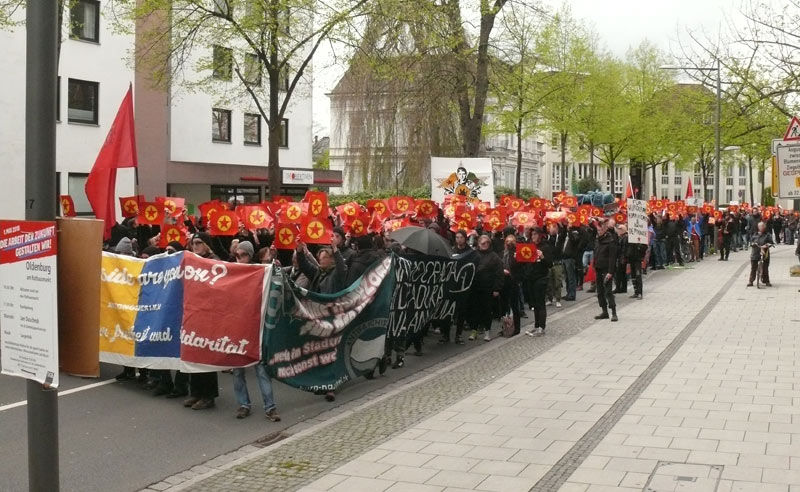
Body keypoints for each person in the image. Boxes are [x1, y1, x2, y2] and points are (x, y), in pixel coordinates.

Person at [230, 241, 281, 421]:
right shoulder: (231, 273)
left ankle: (270, 407)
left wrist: (273, 261)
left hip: (255, 329)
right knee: (238, 371)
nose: (239, 259)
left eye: (243, 255)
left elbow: (274, 277)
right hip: (237, 329)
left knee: (261, 370)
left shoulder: (259, 272)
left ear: (250, 256)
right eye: (237, 255)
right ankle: (244, 404)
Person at [183, 232, 220, 410]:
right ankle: (196, 392)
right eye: (192, 243)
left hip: (208, 314)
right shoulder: (192, 261)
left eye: (198, 243)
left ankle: (208, 396)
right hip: (193, 312)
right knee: (193, 354)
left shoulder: (214, 262)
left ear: (207, 245)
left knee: (206, 357)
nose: (194, 246)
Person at [468, 234, 503, 342]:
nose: (485, 245)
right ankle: (473, 330)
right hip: (475, 286)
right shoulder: (474, 255)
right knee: (474, 310)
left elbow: (499, 273)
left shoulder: (494, 256)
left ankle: (487, 331)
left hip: (488, 287)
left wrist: (497, 288)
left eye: (487, 243)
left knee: (487, 310)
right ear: (478, 244)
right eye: (483, 243)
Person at [524, 227, 552, 337]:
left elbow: (550, 264)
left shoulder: (545, 247)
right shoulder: (530, 247)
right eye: (532, 235)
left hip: (541, 278)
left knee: (540, 303)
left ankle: (542, 327)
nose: (533, 237)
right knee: (535, 304)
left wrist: (543, 257)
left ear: (540, 235)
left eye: (535, 234)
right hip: (531, 278)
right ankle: (536, 326)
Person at [593, 219, 618, 322]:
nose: (599, 231)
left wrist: (610, 272)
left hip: (606, 269)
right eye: (598, 230)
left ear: (605, 229)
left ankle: (614, 312)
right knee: (600, 292)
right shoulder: (598, 240)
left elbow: (612, 258)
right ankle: (604, 311)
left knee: (608, 291)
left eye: (601, 229)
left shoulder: (610, 240)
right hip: (598, 268)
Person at [500, 235, 523, 337]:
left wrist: (516, 258)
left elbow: (520, 266)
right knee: (504, 305)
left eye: (512, 241)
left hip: (513, 280)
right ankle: (505, 327)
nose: (509, 243)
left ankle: (516, 328)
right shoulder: (503, 253)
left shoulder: (517, 253)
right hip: (504, 281)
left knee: (514, 305)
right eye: (508, 241)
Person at [747, 221, 774, 287]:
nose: (761, 227)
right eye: (760, 226)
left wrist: (767, 245)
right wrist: (753, 244)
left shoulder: (767, 235)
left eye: (762, 226)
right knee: (753, 267)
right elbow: (751, 241)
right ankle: (751, 281)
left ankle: (766, 280)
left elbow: (771, 242)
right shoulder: (755, 234)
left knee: (765, 267)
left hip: (765, 252)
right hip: (755, 251)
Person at [546, 222, 565, 308]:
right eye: (551, 227)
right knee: (549, 282)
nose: (553, 229)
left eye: (554, 227)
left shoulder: (559, 238)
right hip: (549, 263)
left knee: (558, 281)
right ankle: (549, 298)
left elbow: (564, 233)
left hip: (557, 263)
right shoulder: (547, 238)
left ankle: (558, 299)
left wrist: (561, 225)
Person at [613, 225, 629, 294]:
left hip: (621, 257)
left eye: (619, 229)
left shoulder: (624, 238)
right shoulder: (622, 237)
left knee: (619, 273)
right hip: (621, 257)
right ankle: (623, 288)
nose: (618, 231)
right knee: (622, 274)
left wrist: (622, 258)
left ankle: (618, 288)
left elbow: (623, 249)